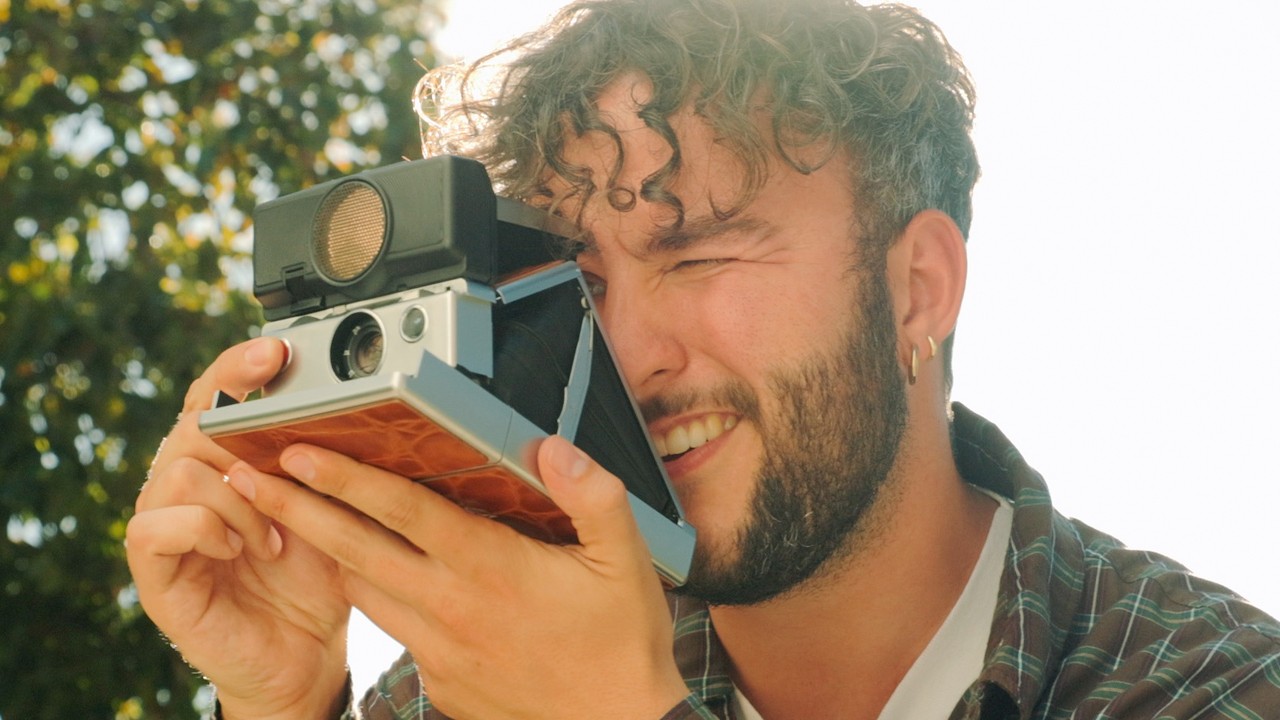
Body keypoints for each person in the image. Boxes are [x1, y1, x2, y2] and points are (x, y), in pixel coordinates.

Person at [126, 0, 1280, 718]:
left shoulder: (1204, 683)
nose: (627, 353)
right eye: (583, 289)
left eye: (698, 254)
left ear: (916, 288)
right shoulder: (483, 681)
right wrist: (284, 702)